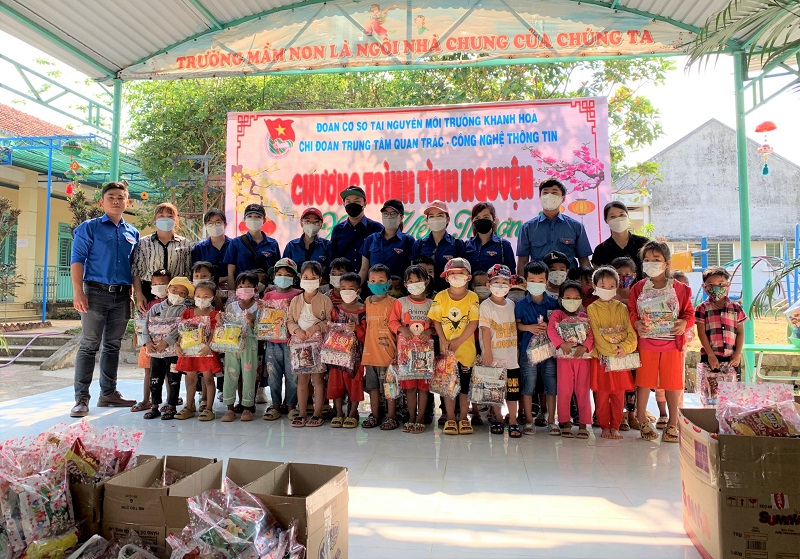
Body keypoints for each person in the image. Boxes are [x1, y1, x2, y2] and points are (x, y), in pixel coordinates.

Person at [70, 181, 139, 418]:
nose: (116, 201)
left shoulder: (132, 233)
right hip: (95, 293)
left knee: (113, 345)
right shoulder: (89, 228)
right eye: (111, 197)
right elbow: (77, 260)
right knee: (89, 344)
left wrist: (131, 294)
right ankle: (81, 398)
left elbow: (133, 267)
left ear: (127, 202)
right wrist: (78, 292)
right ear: (102, 202)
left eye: (121, 197)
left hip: (122, 296)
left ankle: (108, 393)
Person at [628, 241, 694, 443]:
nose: (651, 263)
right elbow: (631, 311)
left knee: (672, 384)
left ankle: (673, 423)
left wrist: (684, 323)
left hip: (672, 344)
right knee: (643, 383)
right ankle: (642, 420)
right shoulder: (638, 288)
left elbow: (689, 313)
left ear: (667, 263)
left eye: (656, 259)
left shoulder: (681, 289)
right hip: (647, 344)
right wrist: (636, 322)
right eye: (647, 260)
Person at [429, 257, 480, 436]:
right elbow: (436, 321)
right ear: (446, 277)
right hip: (446, 352)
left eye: (461, 273)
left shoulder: (473, 297)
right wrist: (444, 341)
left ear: (468, 277)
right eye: (452, 274)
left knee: (465, 388)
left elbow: (473, 323)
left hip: (466, 352)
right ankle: (450, 418)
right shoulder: (440, 297)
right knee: (448, 387)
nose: (456, 276)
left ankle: (464, 418)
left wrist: (458, 342)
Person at [587, 267, 637, 440]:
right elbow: (596, 335)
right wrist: (612, 351)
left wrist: (625, 348)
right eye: (602, 286)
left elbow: (631, 333)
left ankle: (615, 426)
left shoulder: (622, 308)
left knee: (618, 395)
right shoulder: (592, 308)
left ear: (616, 286)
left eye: (611, 286)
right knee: (601, 395)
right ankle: (604, 426)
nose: (607, 289)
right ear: (594, 286)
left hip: (620, 358)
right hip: (601, 359)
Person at [287, 261, 333, 428]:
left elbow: (329, 321)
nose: (309, 280)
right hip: (299, 344)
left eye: (313, 277)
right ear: (300, 278)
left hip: (318, 344)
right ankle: (302, 413)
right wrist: (296, 330)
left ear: (319, 280)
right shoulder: (295, 300)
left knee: (318, 379)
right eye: (306, 277)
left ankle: (317, 413)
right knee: (302, 379)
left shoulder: (325, 300)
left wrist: (316, 327)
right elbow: (290, 320)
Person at [389, 265, 435, 434]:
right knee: (410, 388)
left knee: (423, 388)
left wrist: (430, 331)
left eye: (418, 280)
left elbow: (437, 325)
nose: (415, 284)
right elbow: (392, 322)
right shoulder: (401, 303)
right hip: (406, 354)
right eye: (411, 281)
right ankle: (411, 417)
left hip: (425, 354)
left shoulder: (432, 304)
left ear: (426, 282)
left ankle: (420, 418)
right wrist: (402, 329)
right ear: (405, 284)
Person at [515, 261, 559, 435]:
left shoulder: (553, 303)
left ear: (547, 282)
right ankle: (528, 421)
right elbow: (517, 325)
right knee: (528, 384)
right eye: (532, 281)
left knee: (551, 384)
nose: (536, 284)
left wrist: (549, 326)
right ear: (526, 281)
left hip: (549, 351)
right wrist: (529, 328)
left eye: (540, 281)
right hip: (528, 351)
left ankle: (551, 421)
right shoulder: (521, 304)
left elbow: (558, 325)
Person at [548, 280, 594, 439]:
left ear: (581, 299)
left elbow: (591, 334)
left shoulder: (584, 315)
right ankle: (565, 422)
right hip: (564, 360)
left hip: (582, 360)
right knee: (564, 391)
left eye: (576, 298)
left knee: (583, 391)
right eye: (568, 297)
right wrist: (561, 344)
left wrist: (585, 347)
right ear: (561, 298)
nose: (572, 301)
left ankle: (583, 424)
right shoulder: (557, 314)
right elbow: (551, 330)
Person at [479, 264, 521, 438]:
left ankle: (513, 421)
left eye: (504, 282)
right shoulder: (486, 305)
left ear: (510, 285)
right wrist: (487, 353)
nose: (501, 286)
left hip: (511, 358)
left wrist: (516, 351)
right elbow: (485, 330)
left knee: (512, 392)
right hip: (494, 357)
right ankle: (497, 418)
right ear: (488, 285)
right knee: (495, 392)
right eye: (496, 282)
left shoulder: (511, 304)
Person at [142, 276, 193, 420]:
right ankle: (154, 406)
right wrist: (147, 342)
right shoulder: (155, 308)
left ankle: (171, 407)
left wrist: (167, 341)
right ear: (167, 290)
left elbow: (180, 328)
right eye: (174, 290)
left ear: (186, 296)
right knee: (155, 380)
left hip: (173, 353)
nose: (177, 294)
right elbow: (146, 326)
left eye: (182, 293)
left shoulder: (185, 311)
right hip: (155, 353)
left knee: (174, 380)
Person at [516, 178, 592, 272]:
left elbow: (584, 260)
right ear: (540, 197)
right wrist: (522, 280)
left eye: (554, 193)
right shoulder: (527, 228)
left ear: (563, 198)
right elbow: (522, 261)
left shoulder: (576, 227)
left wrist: (587, 279)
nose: (549, 196)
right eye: (545, 193)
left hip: (569, 279)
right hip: (539, 279)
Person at [261, 258, 303, 421]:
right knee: (273, 375)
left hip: (293, 342)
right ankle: (276, 405)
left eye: (287, 275)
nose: (282, 277)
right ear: (274, 277)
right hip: (272, 342)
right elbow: (263, 318)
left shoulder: (299, 294)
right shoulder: (268, 295)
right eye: (279, 274)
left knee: (293, 376)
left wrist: (293, 305)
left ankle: (291, 405)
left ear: (294, 278)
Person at [133, 202, 193, 313]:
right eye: (161, 216)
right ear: (155, 219)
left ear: (176, 220)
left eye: (170, 216)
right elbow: (136, 272)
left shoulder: (185, 243)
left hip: (176, 293)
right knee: (150, 322)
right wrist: (139, 295)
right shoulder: (143, 243)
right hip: (149, 292)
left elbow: (188, 271)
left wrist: (187, 295)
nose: (165, 219)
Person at [174, 280, 221, 421]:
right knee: (190, 379)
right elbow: (182, 332)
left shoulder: (215, 314)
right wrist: (177, 345)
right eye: (199, 296)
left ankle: (209, 409)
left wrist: (208, 346)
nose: (202, 299)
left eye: (206, 296)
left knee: (208, 379)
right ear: (194, 296)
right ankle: (189, 407)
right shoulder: (187, 313)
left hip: (206, 352)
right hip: (189, 352)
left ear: (213, 297)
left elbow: (215, 332)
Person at [360, 264, 399, 430]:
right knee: (373, 388)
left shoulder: (394, 303)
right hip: (370, 354)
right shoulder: (367, 302)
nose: (377, 284)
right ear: (368, 282)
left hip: (388, 354)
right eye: (373, 280)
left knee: (389, 388)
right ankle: (375, 415)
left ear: (389, 282)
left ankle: (391, 417)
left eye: (381, 280)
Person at [326, 272, 367, 429]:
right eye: (343, 288)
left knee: (354, 382)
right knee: (336, 382)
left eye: (350, 288)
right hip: (337, 355)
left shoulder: (363, 310)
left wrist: (357, 328)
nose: (346, 291)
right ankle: (338, 412)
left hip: (356, 356)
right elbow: (329, 329)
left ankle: (353, 413)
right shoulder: (335, 310)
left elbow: (367, 332)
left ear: (358, 291)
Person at [221, 271, 260, 422]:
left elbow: (264, 329)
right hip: (232, 345)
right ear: (236, 289)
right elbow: (225, 326)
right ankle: (230, 407)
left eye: (248, 286)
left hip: (250, 345)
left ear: (255, 289)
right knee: (230, 373)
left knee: (249, 375)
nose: (244, 289)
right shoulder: (231, 307)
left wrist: (251, 322)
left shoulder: (259, 307)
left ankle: (247, 407)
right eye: (241, 286)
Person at [411, 201, 473, 292]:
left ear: (447, 219)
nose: (435, 219)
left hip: (449, 294)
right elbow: (412, 271)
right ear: (427, 220)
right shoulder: (419, 244)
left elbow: (464, 273)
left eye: (440, 215)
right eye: (431, 216)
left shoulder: (457, 244)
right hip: (423, 294)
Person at [695, 266, 746, 377]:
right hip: (710, 357)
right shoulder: (702, 308)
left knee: (731, 387)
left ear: (728, 285)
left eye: (720, 284)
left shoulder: (736, 308)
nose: (716, 288)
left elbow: (740, 332)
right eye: (711, 285)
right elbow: (701, 333)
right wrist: (710, 355)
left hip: (731, 358)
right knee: (709, 387)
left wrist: (737, 354)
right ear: (704, 287)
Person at [132, 269, 171, 413]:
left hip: (166, 346)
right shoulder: (147, 304)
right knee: (148, 372)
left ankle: (170, 400)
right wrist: (140, 338)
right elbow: (141, 323)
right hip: (149, 345)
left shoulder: (173, 305)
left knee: (168, 372)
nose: (158, 287)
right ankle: (146, 400)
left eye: (162, 284)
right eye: (155, 284)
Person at [223, 203, 281, 290]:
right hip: (243, 291)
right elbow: (231, 274)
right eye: (250, 216)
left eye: (258, 217)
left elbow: (277, 272)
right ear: (244, 220)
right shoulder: (235, 243)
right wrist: (232, 294)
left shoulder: (273, 244)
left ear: (264, 220)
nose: (253, 219)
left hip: (266, 291)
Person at [611, 256, 640, 430]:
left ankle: (632, 414)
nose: (623, 278)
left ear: (634, 275)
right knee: (618, 380)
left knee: (633, 381)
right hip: (614, 346)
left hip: (634, 345)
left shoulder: (637, 295)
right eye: (619, 274)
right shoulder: (608, 295)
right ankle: (619, 415)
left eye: (627, 274)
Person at [359, 199, 414, 282]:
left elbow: (412, 271)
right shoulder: (371, 239)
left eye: (393, 214)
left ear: (401, 217)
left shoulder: (408, 240)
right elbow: (364, 270)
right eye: (385, 213)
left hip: (397, 288)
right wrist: (356, 287)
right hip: (375, 288)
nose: (389, 217)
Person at [330, 186, 383, 272]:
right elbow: (333, 259)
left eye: (357, 201)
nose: (352, 204)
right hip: (344, 279)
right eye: (348, 201)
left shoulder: (377, 228)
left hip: (370, 279)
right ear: (343, 204)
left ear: (365, 204)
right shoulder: (338, 230)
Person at [591, 201, 649, 279]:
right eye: (613, 216)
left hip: (643, 287)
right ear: (606, 220)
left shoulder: (644, 244)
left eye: (621, 215)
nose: (618, 219)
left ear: (627, 216)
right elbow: (599, 278)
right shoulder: (601, 250)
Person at [466, 202, 516, 275]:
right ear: (472, 220)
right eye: (477, 218)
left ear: (493, 219)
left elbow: (512, 274)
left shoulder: (504, 245)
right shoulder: (466, 245)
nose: (481, 220)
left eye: (486, 217)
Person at [191, 208, 231, 287]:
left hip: (232, 289)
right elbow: (194, 273)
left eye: (218, 222)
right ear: (205, 226)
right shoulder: (199, 249)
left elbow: (241, 270)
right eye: (210, 223)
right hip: (206, 290)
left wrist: (226, 278)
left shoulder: (235, 246)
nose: (214, 225)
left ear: (225, 224)